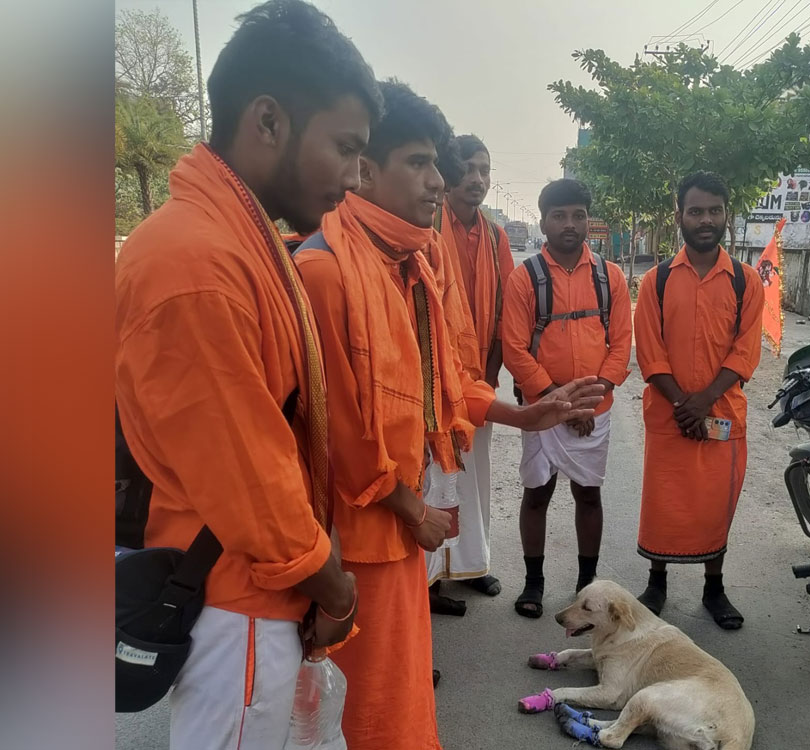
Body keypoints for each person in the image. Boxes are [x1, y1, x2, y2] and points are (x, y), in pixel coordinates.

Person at [293, 80, 603, 750]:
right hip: (353, 539)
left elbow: (445, 381)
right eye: (419, 163)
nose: (439, 181)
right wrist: (413, 510)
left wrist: (527, 414)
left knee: (400, 694)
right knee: (365, 707)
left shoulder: (407, 264)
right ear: (364, 170)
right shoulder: (325, 271)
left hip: (401, 524)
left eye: (438, 164)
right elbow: (338, 435)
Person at [114, 3, 379, 748]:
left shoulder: (241, 241)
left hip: (258, 588)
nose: (355, 178)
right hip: (239, 595)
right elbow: (250, 476)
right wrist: (334, 586)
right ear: (268, 121)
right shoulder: (194, 262)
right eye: (346, 148)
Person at [632, 171, 765, 630]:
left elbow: (745, 352)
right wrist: (682, 405)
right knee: (664, 500)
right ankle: (656, 583)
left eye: (714, 210)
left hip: (722, 414)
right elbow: (650, 353)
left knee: (715, 504)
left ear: (727, 215)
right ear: (679, 217)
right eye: (695, 211)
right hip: (669, 416)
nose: (705, 219)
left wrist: (705, 401)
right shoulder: (657, 281)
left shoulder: (746, 282)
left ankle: (714, 588)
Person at [501, 178, 633, 619]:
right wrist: (558, 403)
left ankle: (586, 583)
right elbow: (514, 348)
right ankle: (533, 581)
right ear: (543, 222)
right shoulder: (525, 278)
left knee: (589, 496)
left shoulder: (610, 277)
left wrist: (588, 403)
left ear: (588, 221)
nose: (570, 224)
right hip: (542, 408)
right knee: (537, 494)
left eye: (578, 215)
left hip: (594, 410)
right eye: (559, 216)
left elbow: (621, 345)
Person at [425, 134, 515, 615]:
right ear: (445, 172)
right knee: (432, 479)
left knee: (475, 479)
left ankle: (473, 564)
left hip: (477, 384)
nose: (477, 179)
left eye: (485, 169)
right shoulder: (426, 224)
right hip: (429, 382)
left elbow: (504, 314)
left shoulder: (496, 237)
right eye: (467, 168)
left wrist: (489, 378)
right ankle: (429, 578)